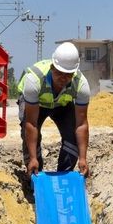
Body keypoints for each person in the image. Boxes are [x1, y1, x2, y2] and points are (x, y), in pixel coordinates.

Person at [16, 42, 91, 177]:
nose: (63, 78)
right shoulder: (35, 80)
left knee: (72, 135)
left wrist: (83, 158)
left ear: (74, 72)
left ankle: (64, 175)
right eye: (59, 73)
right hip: (35, 103)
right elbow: (31, 123)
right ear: (52, 67)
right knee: (30, 136)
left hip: (61, 105)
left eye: (68, 75)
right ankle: (35, 173)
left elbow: (81, 125)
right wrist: (33, 158)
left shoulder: (81, 84)